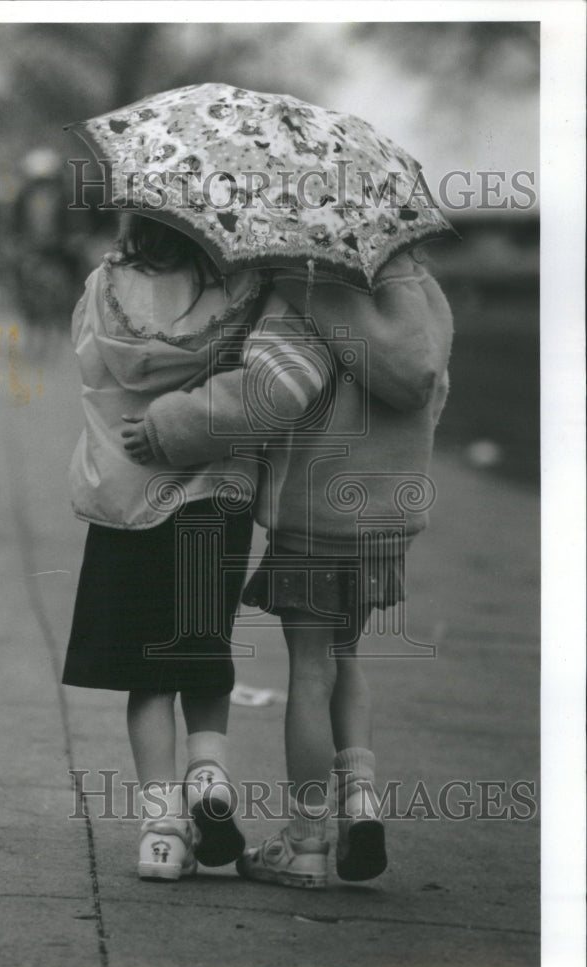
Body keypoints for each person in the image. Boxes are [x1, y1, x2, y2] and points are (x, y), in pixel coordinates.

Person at [122, 250, 453, 888]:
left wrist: (170, 425)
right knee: (345, 661)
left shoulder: (309, 286)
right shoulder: (420, 289)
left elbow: (266, 397)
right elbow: (429, 386)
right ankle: (361, 804)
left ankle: (305, 842)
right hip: (386, 517)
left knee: (309, 672)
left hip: (316, 513)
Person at [64, 212, 311, 881]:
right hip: (214, 494)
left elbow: (89, 369)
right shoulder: (251, 289)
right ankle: (209, 778)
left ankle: (161, 834)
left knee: (147, 672)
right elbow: (264, 389)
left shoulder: (104, 284)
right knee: (202, 650)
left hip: (127, 497)